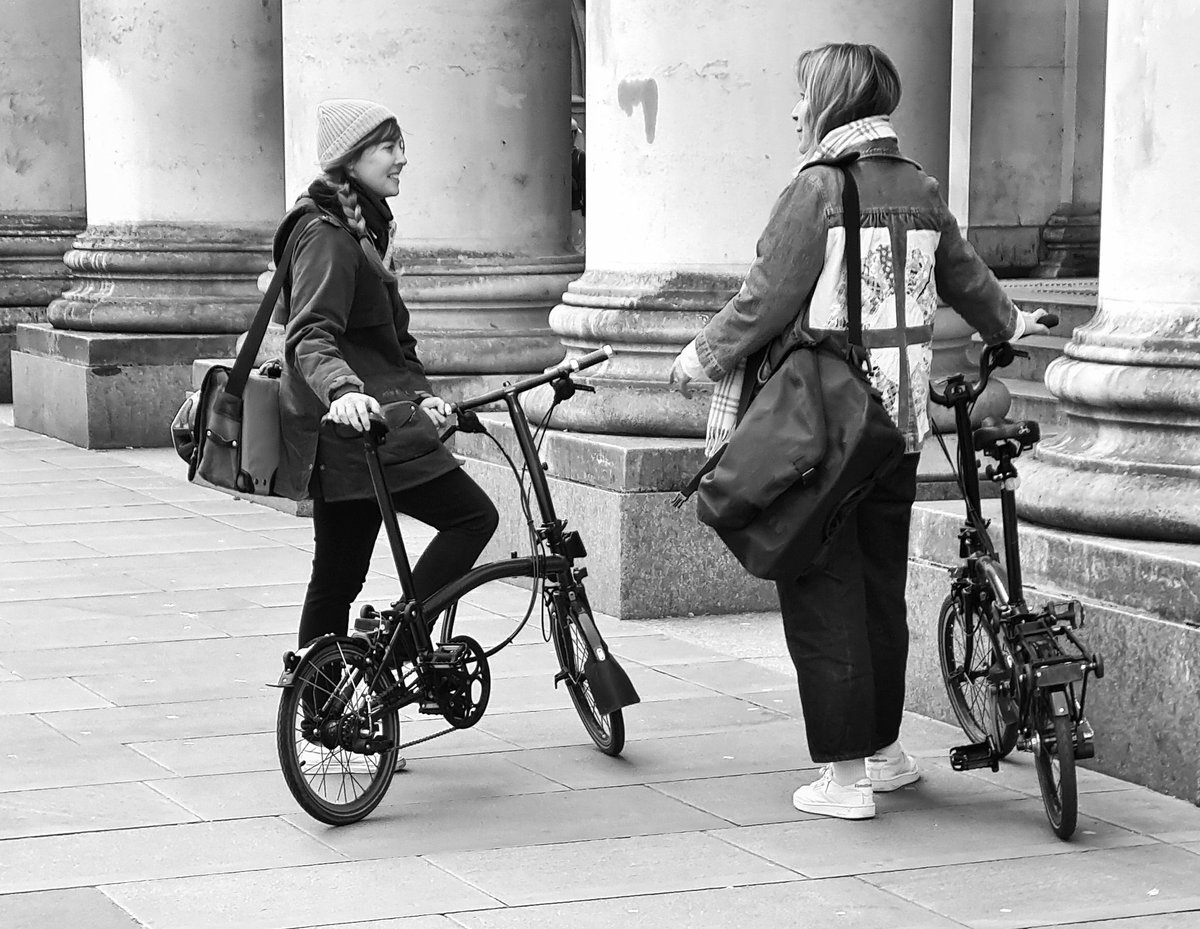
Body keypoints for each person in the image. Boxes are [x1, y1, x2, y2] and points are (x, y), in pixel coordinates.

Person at [668, 44, 1050, 820]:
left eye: (802, 93)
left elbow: (765, 299)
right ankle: (885, 751)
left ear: (832, 100)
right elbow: (967, 275)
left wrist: (700, 356)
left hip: (827, 429)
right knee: (878, 588)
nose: (794, 110)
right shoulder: (919, 185)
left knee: (821, 590)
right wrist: (1013, 321)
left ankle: (845, 779)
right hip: (899, 430)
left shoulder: (817, 189)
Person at [273, 98, 499, 658]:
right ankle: (376, 663)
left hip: (384, 422)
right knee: (472, 518)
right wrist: (344, 392)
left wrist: (425, 396)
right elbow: (309, 334)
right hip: (355, 429)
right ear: (350, 161)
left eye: (401, 145)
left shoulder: (365, 229)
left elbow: (395, 345)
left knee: (337, 579)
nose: (403, 159)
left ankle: (335, 696)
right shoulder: (328, 236)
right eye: (388, 147)